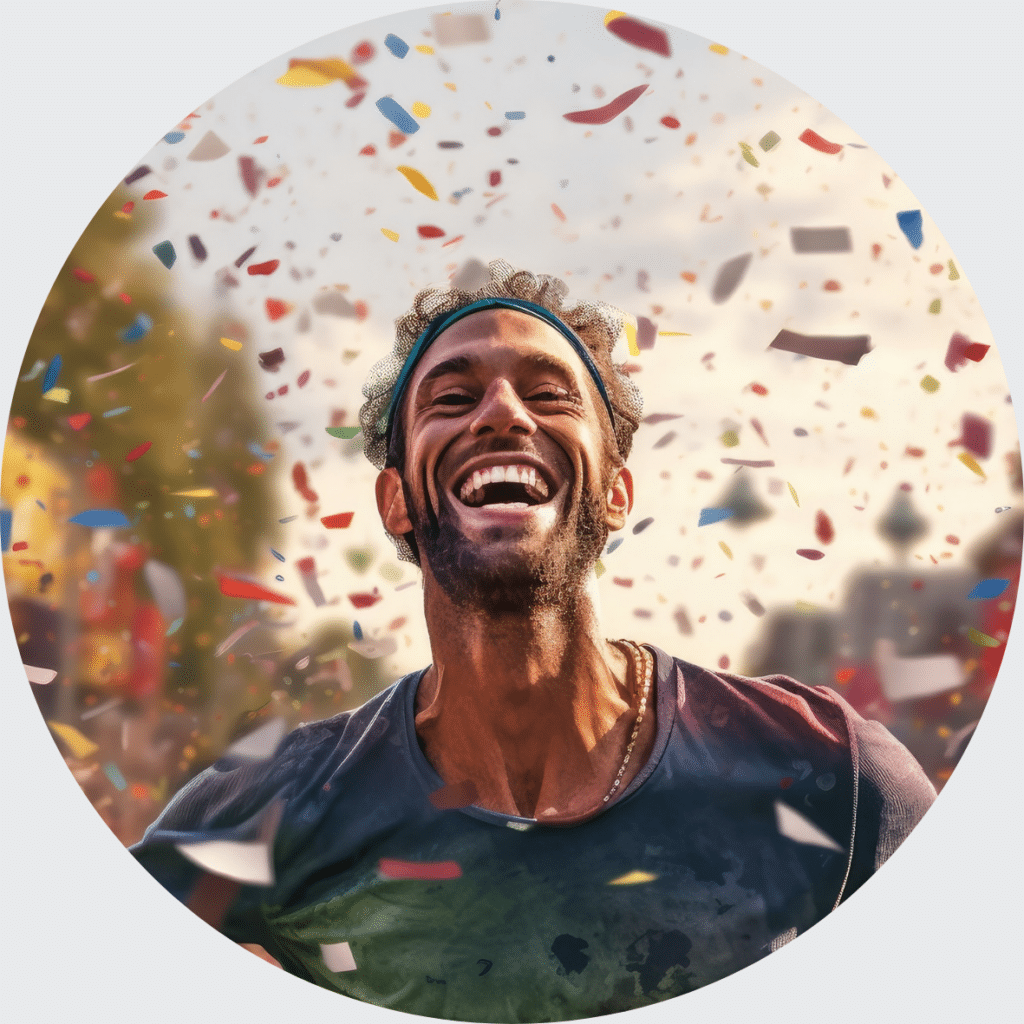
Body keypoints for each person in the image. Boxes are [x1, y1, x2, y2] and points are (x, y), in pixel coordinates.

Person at [131, 260, 936, 1022]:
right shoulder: (280, 807)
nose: (504, 413)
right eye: (451, 398)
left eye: (551, 395)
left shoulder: (834, 773)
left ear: (616, 492)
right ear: (397, 500)